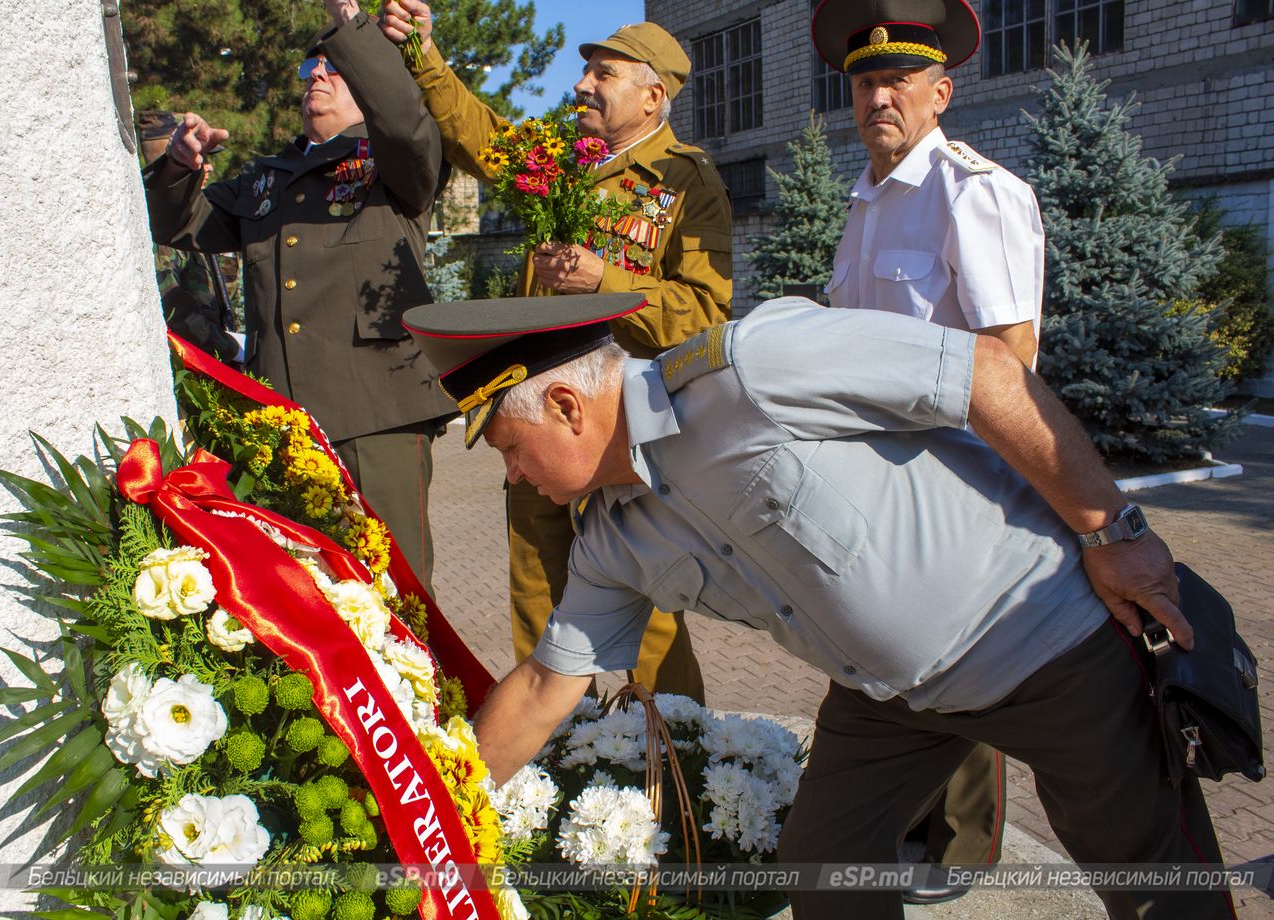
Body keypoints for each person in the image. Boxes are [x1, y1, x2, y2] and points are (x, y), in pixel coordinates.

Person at [402, 292, 1234, 920]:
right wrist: (426, 816)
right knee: (824, 863)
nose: (512, 475)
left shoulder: (751, 369)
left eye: (510, 448)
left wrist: (1112, 530)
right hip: (893, 698)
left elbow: (985, 374)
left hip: (1041, 638)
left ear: (565, 406)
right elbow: (547, 688)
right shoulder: (613, 539)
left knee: (1155, 882)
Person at [380, 2, 734, 701]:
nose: (582, 87)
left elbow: (704, 313)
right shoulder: (559, 160)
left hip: (622, 435)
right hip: (536, 415)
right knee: (537, 589)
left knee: (650, 607)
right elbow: (480, 136)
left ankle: (678, 757)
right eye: (584, 72)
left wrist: (609, 280)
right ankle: (555, 753)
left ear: (652, 95)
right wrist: (424, 53)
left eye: (603, 74)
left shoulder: (687, 183)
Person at [811, 0, 1047, 897]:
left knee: (959, 660)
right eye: (867, 81)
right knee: (889, 652)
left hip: (956, 472)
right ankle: (904, 822)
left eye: (900, 81)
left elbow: (1009, 358)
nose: (880, 96)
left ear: (940, 92)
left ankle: (960, 846)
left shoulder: (974, 192)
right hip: (874, 475)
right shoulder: (866, 201)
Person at [143, 1, 455, 590]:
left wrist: (352, 29)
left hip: (375, 415)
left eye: (333, 66)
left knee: (397, 588)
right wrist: (181, 167)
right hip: (283, 417)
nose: (316, 74)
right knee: (303, 593)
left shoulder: (393, 162)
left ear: (365, 77)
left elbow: (406, 121)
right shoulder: (269, 175)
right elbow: (182, 226)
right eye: (312, 64)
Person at [137, 110, 240, 365]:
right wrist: (233, 349)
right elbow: (173, 311)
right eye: (199, 159)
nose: (208, 167)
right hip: (192, 371)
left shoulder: (194, 217)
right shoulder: (157, 231)